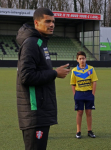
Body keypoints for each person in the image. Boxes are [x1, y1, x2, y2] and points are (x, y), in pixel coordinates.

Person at [16, 8, 71, 150]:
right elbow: (26, 76)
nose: (51, 24)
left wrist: (52, 72)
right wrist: (54, 73)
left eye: (53, 22)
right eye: (47, 21)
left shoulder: (40, 43)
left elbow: (37, 71)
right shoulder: (31, 44)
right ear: (36, 23)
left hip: (40, 111)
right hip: (34, 113)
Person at [70, 51, 98, 139]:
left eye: (83, 58)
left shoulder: (91, 69)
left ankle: (89, 131)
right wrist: (75, 94)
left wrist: (93, 94)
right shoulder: (74, 70)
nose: (82, 60)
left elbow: (94, 82)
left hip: (89, 93)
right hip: (79, 94)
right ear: (77, 60)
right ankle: (78, 131)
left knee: (89, 112)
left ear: (86, 59)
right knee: (80, 112)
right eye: (80, 59)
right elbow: (73, 84)